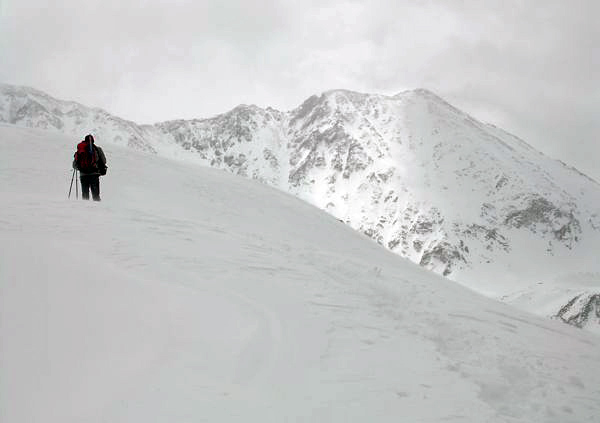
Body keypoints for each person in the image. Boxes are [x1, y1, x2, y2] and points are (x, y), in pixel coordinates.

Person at [73, 134, 107, 201]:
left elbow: (74, 165)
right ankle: (98, 210)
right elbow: (104, 161)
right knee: (96, 195)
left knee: (85, 195)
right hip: (94, 174)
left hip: (83, 175)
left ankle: (85, 210)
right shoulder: (97, 149)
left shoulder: (80, 151)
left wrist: (81, 168)